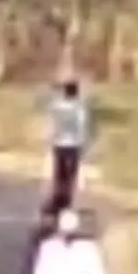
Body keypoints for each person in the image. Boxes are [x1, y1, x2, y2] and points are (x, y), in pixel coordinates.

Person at [46, 76, 92, 206]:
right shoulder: (79, 108)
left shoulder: (57, 106)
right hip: (74, 144)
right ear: (77, 92)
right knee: (71, 174)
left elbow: (52, 123)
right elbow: (82, 127)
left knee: (59, 172)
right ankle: (67, 198)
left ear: (64, 92)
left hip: (59, 143)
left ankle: (57, 196)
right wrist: (85, 145)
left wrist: (50, 138)